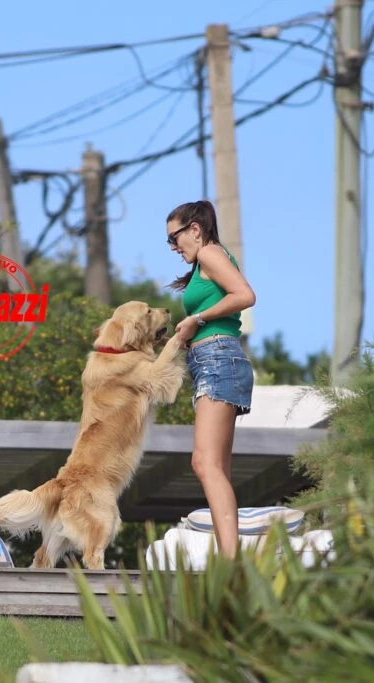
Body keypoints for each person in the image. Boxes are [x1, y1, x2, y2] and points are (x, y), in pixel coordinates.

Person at [165, 200, 256, 559]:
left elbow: (246, 295)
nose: (173, 247)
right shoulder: (208, 260)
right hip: (214, 360)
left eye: (174, 238)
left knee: (204, 463)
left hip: (219, 358)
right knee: (216, 468)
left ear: (195, 229)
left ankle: (231, 563)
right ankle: (228, 559)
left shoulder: (210, 254)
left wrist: (197, 319)